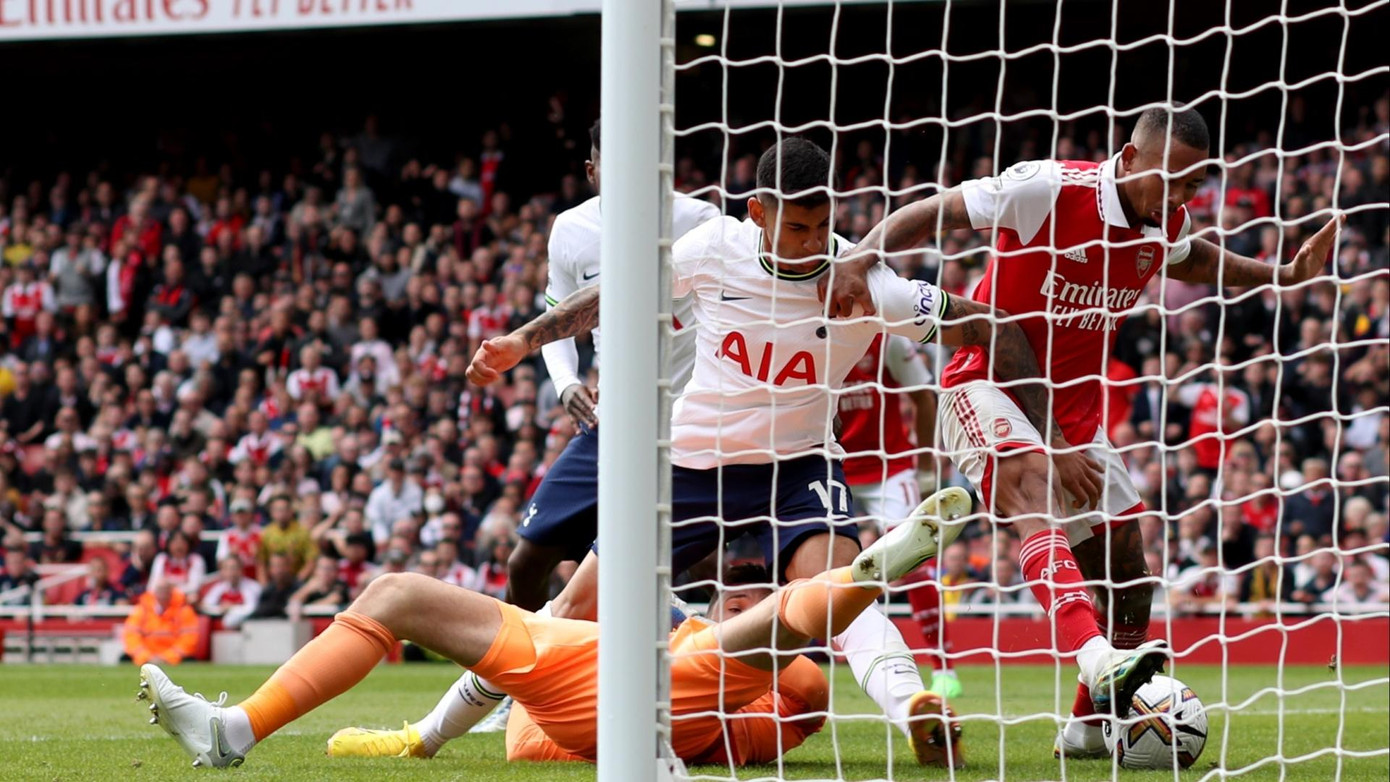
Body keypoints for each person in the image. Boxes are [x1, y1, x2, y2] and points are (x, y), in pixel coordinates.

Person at [462, 138, 1164, 755]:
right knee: (577, 606)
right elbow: (611, 295)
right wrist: (523, 341)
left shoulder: (866, 284)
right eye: (796, 227)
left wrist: (1049, 433)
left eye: (824, 226)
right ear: (758, 213)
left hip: (799, 467)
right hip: (692, 463)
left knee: (841, 593)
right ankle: (438, 729)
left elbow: (994, 328)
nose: (812, 243)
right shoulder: (713, 248)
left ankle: (916, 708)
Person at [832, 105, 1342, 758]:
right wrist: (863, 257)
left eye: (1193, 184)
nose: (1180, 196)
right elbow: (938, 210)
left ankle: (1088, 728)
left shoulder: (1167, 219)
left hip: (1073, 415)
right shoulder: (1046, 188)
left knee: (1130, 574)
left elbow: (1190, 258)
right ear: (1128, 159)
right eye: (1171, 179)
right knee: (1034, 487)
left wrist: (1284, 274)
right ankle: (1096, 659)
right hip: (985, 382)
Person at [140, 487, 970, 769]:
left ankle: (869, 575)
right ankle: (232, 730)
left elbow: (798, 679)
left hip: (651, 695)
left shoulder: (761, 692)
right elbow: (528, 730)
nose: (734, 591)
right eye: (737, 585)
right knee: (393, 591)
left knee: (757, 641)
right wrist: (424, 738)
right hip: (595, 684)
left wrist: (428, 738)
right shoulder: (729, 662)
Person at [837, 334, 960, 697]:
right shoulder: (811, 336)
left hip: (890, 466)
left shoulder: (886, 340)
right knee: (823, 560)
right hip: (833, 464)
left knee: (913, 559)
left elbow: (923, 396)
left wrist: (925, 468)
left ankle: (944, 667)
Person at [123, 578, 200, 667]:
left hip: (176, 659)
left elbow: (189, 640)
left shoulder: (184, 610)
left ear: (172, 591)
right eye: (160, 589)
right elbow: (131, 637)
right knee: (124, 660)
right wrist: (146, 657)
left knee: (190, 662)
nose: (163, 592)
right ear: (154, 591)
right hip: (146, 657)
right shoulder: (142, 610)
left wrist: (167, 657)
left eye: (166, 589)